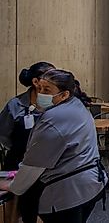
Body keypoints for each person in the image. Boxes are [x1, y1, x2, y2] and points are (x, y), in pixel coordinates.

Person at [0, 69, 106, 223]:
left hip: (67, 192)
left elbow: (33, 165)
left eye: (47, 90)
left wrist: (10, 185)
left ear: (64, 94)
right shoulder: (77, 106)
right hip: (89, 184)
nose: (41, 94)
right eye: (40, 89)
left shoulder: (53, 120)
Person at [0, 61, 56, 223]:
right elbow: (3, 134)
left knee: (44, 206)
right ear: (36, 82)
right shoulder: (15, 105)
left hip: (46, 163)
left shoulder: (54, 104)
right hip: (19, 162)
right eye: (50, 76)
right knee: (22, 206)